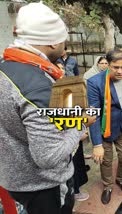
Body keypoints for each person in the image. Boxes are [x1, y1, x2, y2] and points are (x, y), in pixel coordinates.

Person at [0, 2, 95, 213]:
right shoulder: (38, 87)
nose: (65, 45)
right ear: (52, 42)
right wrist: (80, 123)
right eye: (64, 39)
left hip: (13, 175)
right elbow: (48, 157)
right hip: (43, 186)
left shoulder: (6, 67)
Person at [87, 50, 122, 205]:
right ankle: (108, 186)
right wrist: (96, 144)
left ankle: (120, 179)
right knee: (106, 161)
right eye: (116, 67)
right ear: (107, 65)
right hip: (105, 128)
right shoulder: (94, 82)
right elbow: (93, 114)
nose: (120, 71)